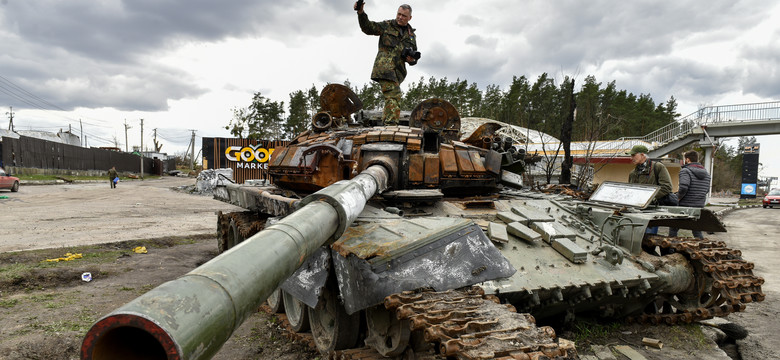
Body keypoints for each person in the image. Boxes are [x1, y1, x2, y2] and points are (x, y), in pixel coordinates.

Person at [354, 2, 418, 125]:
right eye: (399, 14)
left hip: (398, 72)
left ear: (410, 18)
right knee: (394, 95)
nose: (400, 17)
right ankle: (390, 126)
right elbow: (367, 27)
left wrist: (411, 60)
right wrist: (361, 12)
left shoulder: (411, 36)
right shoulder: (387, 26)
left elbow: (413, 56)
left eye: (404, 16)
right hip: (384, 68)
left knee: (391, 98)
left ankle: (386, 123)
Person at [627, 144, 672, 235]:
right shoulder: (632, 173)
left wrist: (649, 198)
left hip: (651, 211)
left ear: (642, 155)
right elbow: (630, 190)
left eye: (634, 155)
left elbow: (666, 187)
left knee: (648, 240)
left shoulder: (658, 167)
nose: (631, 158)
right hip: (635, 211)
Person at [669, 150, 711, 238]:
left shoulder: (685, 171)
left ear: (687, 160)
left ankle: (670, 249)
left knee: (673, 229)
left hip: (684, 206)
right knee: (696, 231)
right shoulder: (707, 174)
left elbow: (684, 187)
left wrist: (678, 198)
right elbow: (706, 190)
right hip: (698, 206)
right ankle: (701, 249)